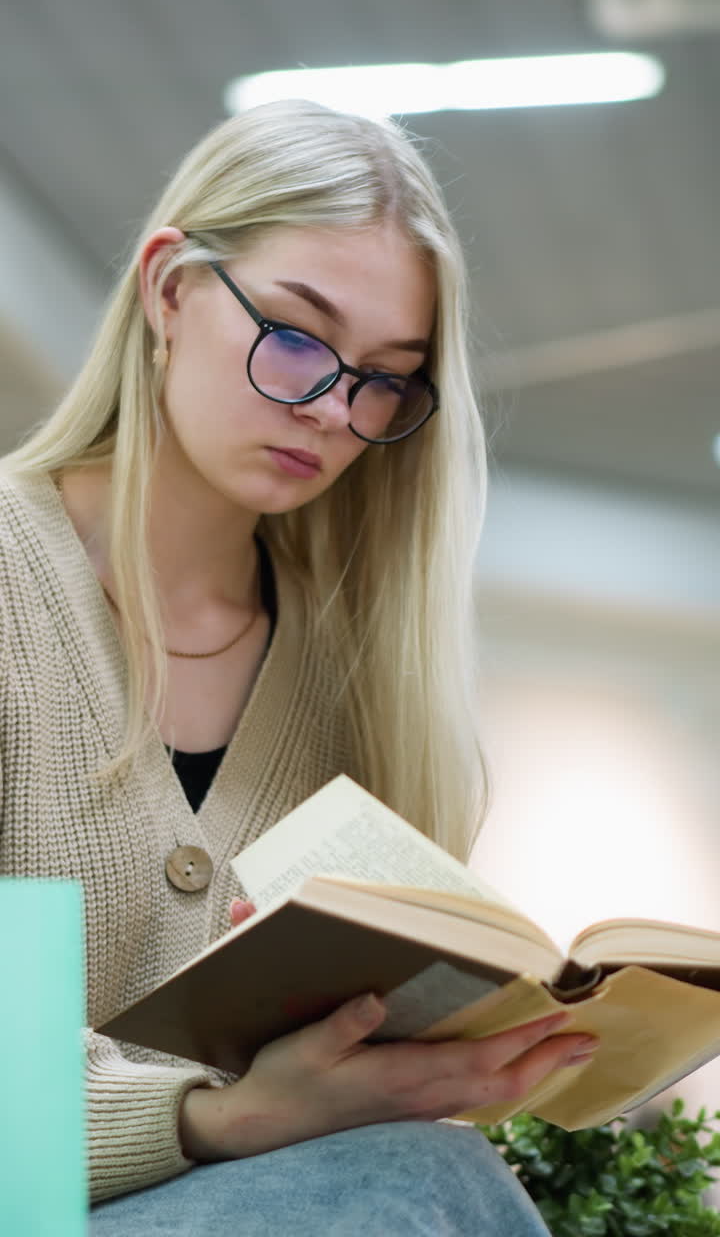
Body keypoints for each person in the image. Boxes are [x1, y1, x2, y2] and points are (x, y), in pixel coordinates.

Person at [0, 99, 596, 1235]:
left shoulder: (356, 682)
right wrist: (224, 1112)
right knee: (424, 1186)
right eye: (297, 336)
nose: (332, 407)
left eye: (383, 377)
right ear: (169, 290)